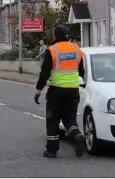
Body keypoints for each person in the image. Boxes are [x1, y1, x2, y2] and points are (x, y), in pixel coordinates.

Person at [34, 25, 86, 158]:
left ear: (55, 36)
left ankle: (51, 150)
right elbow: (81, 71)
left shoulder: (52, 50)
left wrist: (39, 90)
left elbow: (44, 72)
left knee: (53, 119)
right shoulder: (76, 49)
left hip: (56, 90)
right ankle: (77, 135)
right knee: (70, 119)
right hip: (73, 89)